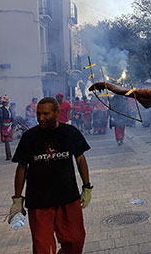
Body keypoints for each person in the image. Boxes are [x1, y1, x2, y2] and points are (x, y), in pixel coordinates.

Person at [9, 97, 92, 254]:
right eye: (38, 114)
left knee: (75, 241)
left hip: (67, 197)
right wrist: (17, 199)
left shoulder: (70, 133)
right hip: (39, 201)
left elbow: (80, 159)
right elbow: (21, 168)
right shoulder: (29, 137)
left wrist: (87, 187)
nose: (40, 118)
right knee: (43, 248)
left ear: (57, 113)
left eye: (45, 114)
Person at [1, 96, 14, 160]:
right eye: (5, 103)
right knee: (5, 131)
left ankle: (8, 138)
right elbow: (1, 116)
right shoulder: (2, 108)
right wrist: (2, 122)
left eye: (7, 102)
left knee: (8, 130)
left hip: (9, 120)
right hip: (5, 121)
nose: (7, 103)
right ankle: (5, 139)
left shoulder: (9, 108)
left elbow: (11, 113)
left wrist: (12, 119)